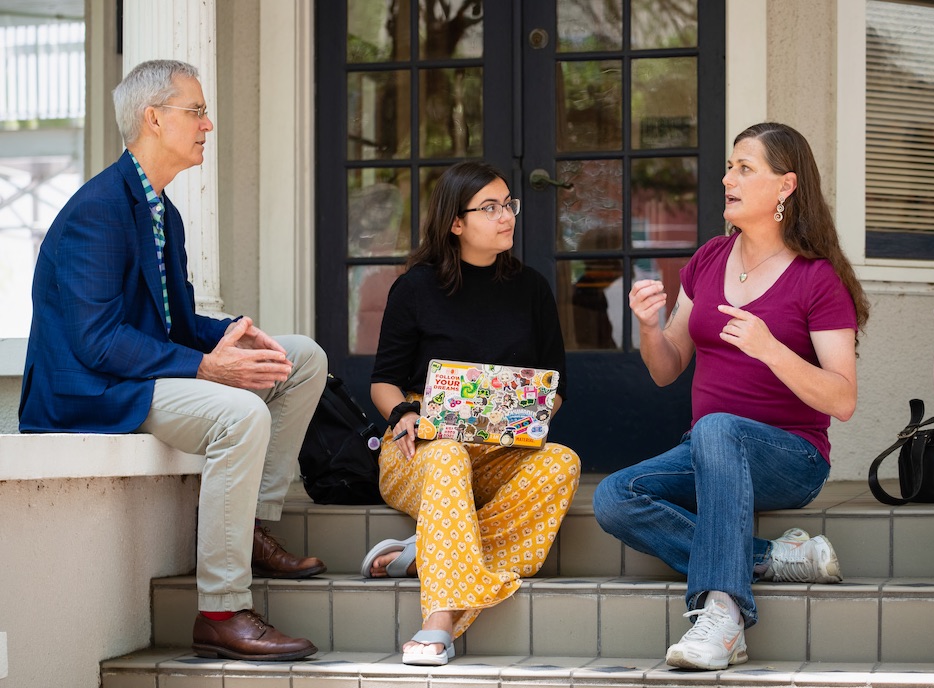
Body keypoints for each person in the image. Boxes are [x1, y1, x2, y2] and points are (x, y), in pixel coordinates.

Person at [18, 59, 327, 662]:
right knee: (240, 416)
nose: (208, 124)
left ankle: (254, 526)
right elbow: (96, 341)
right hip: (94, 388)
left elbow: (176, 323)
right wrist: (209, 368)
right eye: (197, 111)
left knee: (302, 359)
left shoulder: (164, 211)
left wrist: (231, 334)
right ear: (154, 118)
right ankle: (221, 611)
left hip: (138, 369)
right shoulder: (98, 210)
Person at [592, 122, 870, 671]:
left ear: (786, 186)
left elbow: (842, 399)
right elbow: (667, 368)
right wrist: (650, 327)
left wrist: (771, 350)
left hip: (791, 457)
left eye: (745, 169)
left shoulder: (818, 280)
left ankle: (723, 616)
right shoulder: (710, 259)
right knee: (615, 497)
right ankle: (775, 558)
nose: (727, 179)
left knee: (717, 427)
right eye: (729, 167)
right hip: (710, 450)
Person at [362, 160, 581, 666]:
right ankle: (439, 621)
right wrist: (403, 413)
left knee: (561, 462)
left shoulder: (531, 288)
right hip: (419, 453)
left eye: (509, 205)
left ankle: (428, 553)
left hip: (500, 452)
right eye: (490, 208)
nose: (506, 216)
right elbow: (383, 382)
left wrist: (531, 415)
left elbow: (556, 382)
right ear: (456, 222)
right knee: (446, 457)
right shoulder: (415, 288)